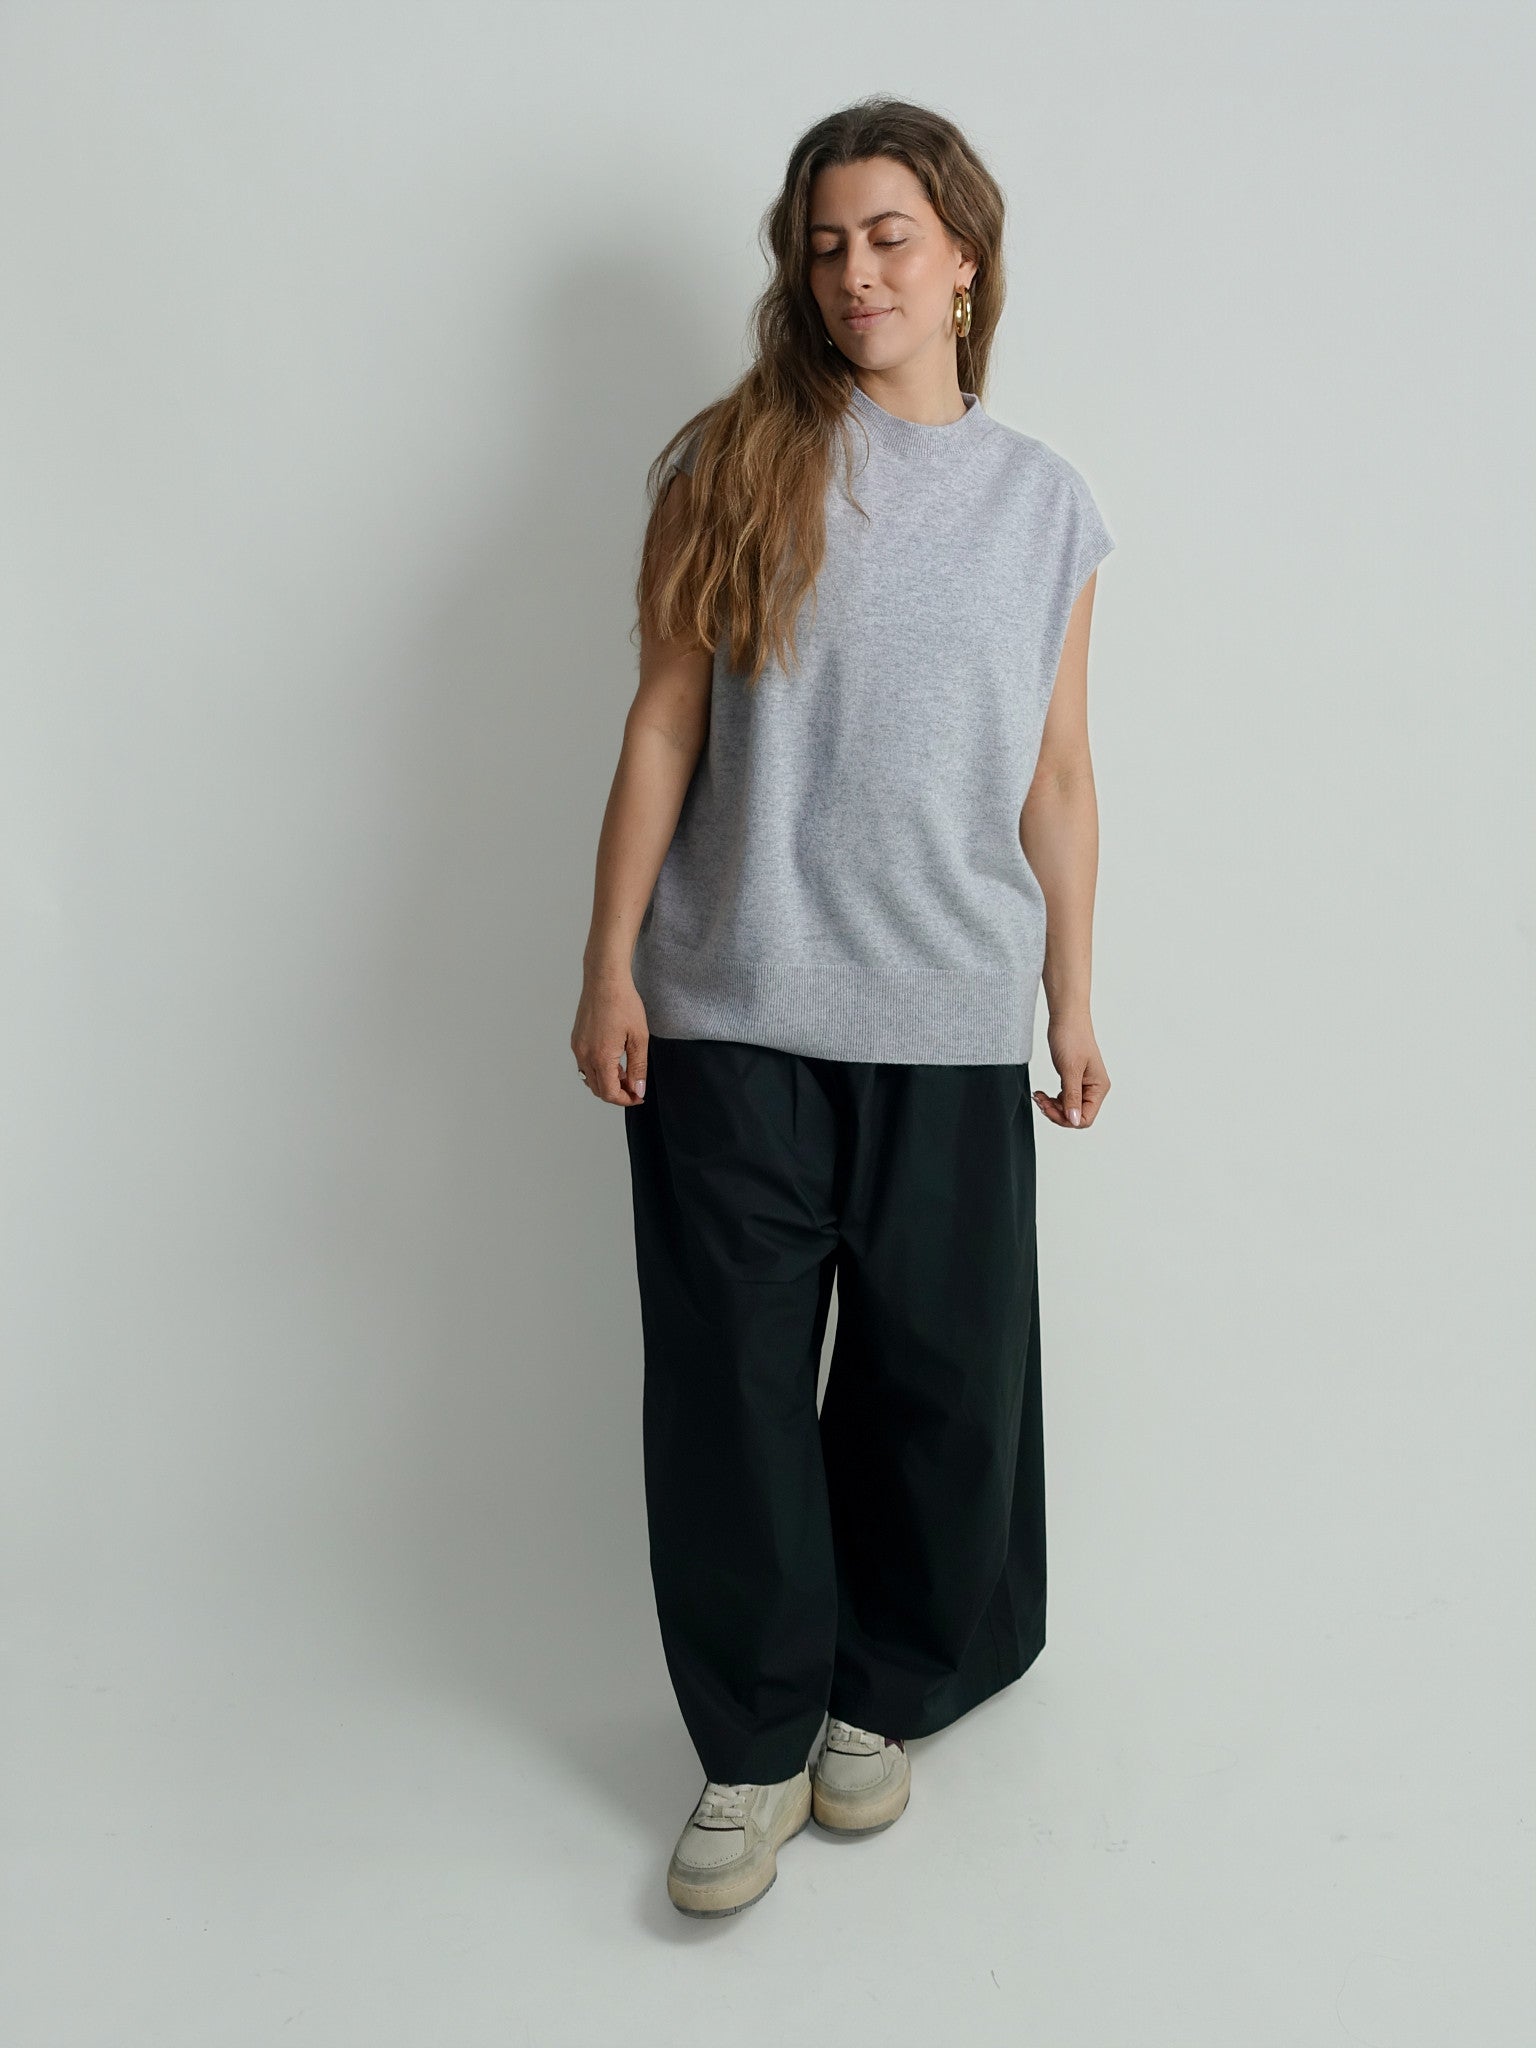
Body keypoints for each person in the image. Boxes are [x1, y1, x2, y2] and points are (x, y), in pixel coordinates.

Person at [571, 95, 1116, 1919]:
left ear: (964, 258)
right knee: (729, 1389)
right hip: (729, 1003)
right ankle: (750, 1743)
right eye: (825, 245)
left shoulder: (1046, 506)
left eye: (889, 235)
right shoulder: (730, 463)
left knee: (940, 1384)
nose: (855, 271)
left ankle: (882, 1684)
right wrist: (608, 960)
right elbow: (664, 722)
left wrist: (1073, 994)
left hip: (948, 1008)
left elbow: (1058, 775)